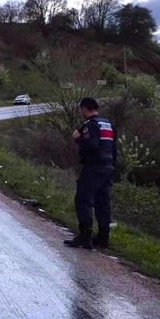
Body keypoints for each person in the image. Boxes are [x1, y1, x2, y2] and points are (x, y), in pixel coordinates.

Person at [65, 97, 118, 250]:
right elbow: (114, 149)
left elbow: (91, 145)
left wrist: (78, 139)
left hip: (94, 167)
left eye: (81, 109)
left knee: (83, 200)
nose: (80, 111)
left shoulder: (90, 125)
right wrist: (112, 166)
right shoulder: (108, 124)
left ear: (85, 108)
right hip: (108, 168)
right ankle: (103, 238)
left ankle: (85, 236)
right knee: (103, 203)